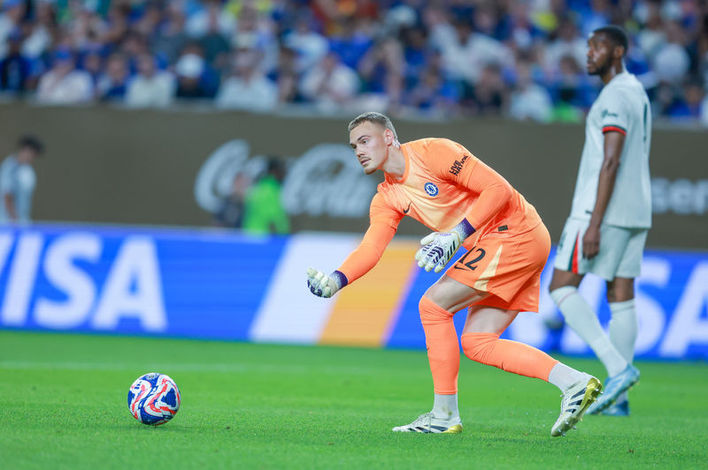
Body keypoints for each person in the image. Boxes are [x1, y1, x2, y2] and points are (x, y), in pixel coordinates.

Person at [306, 112, 601, 436]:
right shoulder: (387, 197)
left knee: (433, 306)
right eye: (354, 146)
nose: (359, 151)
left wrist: (457, 234)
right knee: (478, 342)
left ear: (388, 137)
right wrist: (336, 280)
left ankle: (444, 415)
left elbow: (498, 189)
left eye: (364, 141)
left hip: (513, 232)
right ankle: (573, 382)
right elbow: (371, 249)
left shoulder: (434, 152)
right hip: (512, 241)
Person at [549, 26, 651, 417]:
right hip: (636, 209)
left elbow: (611, 160)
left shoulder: (615, 96)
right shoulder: (636, 90)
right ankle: (619, 400)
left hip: (601, 210)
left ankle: (618, 369)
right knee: (621, 293)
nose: (590, 53)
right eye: (588, 46)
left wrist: (594, 222)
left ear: (619, 51)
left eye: (599, 46)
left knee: (561, 286)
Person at [0, 135, 44, 224]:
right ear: (25, 150)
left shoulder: (28, 170)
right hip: (8, 223)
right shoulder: (10, 167)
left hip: (22, 221)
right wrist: (15, 219)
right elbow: (7, 195)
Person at [242, 158, 290, 235]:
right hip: (266, 236)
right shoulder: (272, 189)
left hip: (251, 233)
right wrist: (278, 233)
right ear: (274, 171)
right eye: (282, 171)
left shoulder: (258, 187)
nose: (284, 174)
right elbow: (272, 218)